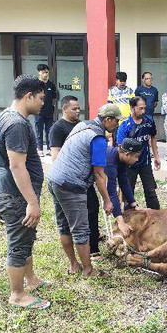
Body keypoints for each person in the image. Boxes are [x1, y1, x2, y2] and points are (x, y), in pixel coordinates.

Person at [0, 74, 50, 309]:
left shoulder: (7, 117)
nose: (43, 103)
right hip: (15, 196)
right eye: (41, 98)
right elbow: (17, 166)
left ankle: (31, 279)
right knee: (18, 243)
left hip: (14, 194)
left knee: (26, 240)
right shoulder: (15, 124)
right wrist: (32, 202)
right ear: (29, 96)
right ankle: (17, 295)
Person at [47, 104, 123, 277]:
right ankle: (88, 270)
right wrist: (107, 200)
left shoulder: (82, 125)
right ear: (107, 120)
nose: (117, 124)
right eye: (116, 121)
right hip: (71, 184)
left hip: (54, 178)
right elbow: (99, 174)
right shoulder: (97, 138)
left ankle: (74, 265)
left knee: (64, 225)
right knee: (81, 229)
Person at [49, 96, 103, 260]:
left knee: (92, 208)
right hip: (70, 180)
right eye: (74, 109)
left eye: (79, 108)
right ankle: (83, 261)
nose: (78, 111)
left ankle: (93, 246)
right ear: (64, 109)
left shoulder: (83, 125)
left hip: (85, 179)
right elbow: (56, 155)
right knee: (72, 221)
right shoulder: (58, 128)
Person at [116, 96, 162, 210]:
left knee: (150, 191)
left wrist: (156, 156)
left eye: (144, 108)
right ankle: (128, 217)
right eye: (140, 108)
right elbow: (120, 148)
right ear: (132, 108)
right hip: (130, 165)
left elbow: (153, 137)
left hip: (145, 162)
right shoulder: (125, 126)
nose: (143, 111)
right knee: (128, 193)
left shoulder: (149, 121)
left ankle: (156, 216)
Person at [105, 138, 143, 235]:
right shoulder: (110, 162)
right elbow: (111, 192)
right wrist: (120, 221)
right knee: (91, 208)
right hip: (79, 179)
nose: (137, 159)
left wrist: (134, 204)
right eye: (136, 156)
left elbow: (124, 182)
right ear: (127, 154)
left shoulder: (121, 160)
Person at [34, 64, 57, 156]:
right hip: (38, 111)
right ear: (39, 72)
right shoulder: (35, 84)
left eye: (47, 72)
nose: (45, 74)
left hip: (49, 111)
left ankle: (49, 148)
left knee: (49, 130)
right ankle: (39, 148)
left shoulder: (51, 84)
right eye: (43, 72)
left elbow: (54, 97)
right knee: (39, 131)